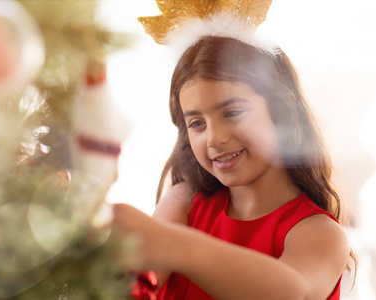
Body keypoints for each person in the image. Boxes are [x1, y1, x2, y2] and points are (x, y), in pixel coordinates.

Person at [112, 2, 355, 299]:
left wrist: (176, 244)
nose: (214, 139)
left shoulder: (320, 233)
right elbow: (128, 285)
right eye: (197, 123)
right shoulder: (185, 203)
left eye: (232, 113)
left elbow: (294, 291)